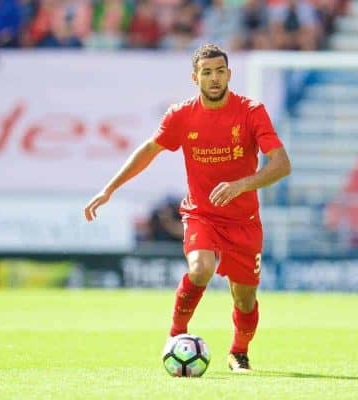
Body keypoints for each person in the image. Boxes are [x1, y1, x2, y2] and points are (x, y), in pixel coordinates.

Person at [84, 43, 291, 373]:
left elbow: (282, 164)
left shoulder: (252, 111)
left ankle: (238, 351)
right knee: (200, 268)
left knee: (245, 299)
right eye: (207, 72)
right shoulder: (181, 115)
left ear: (229, 74)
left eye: (220, 71)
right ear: (195, 77)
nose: (214, 78)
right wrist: (109, 189)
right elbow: (148, 151)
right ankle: (176, 335)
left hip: (244, 220)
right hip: (202, 214)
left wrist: (241, 185)